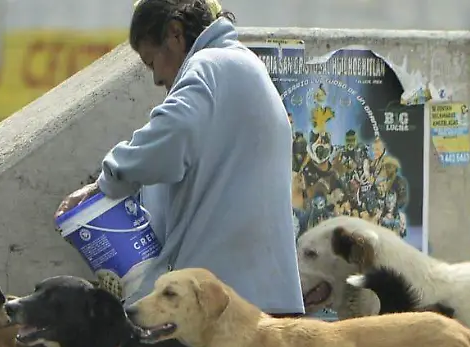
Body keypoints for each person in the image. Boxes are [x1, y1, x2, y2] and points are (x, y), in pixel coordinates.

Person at [55, 0, 304, 317]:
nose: (157, 78)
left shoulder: (208, 66)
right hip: (262, 297)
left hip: (222, 306)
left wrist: (107, 182)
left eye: (151, 61)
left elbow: (170, 137)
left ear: (174, 33)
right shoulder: (241, 65)